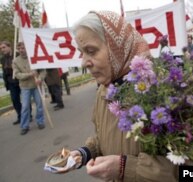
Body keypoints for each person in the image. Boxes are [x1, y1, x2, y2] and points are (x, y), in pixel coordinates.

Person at [64, 11, 178, 182]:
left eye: (91, 51)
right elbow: (105, 137)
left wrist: (126, 168)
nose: (84, 62)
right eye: (82, 53)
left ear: (117, 48)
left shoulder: (164, 91)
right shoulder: (104, 91)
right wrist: (86, 153)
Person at [13, 42, 46, 135]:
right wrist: (29, 74)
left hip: (36, 86)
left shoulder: (34, 57)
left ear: (27, 48)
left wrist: (40, 79)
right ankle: (24, 126)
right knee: (25, 107)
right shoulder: (16, 61)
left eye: (23, 48)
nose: (21, 50)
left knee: (39, 105)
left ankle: (40, 121)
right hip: (25, 87)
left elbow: (43, 71)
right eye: (19, 49)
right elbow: (17, 75)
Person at [0, 41, 22, 125]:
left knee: (25, 98)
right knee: (15, 99)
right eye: (1, 48)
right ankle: (20, 116)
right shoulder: (2, 58)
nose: (2, 49)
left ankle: (28, 115)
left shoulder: (16, 55)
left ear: (9, 47)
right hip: (11, 82)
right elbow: (4, 71)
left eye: (4, 47)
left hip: (20, 80)